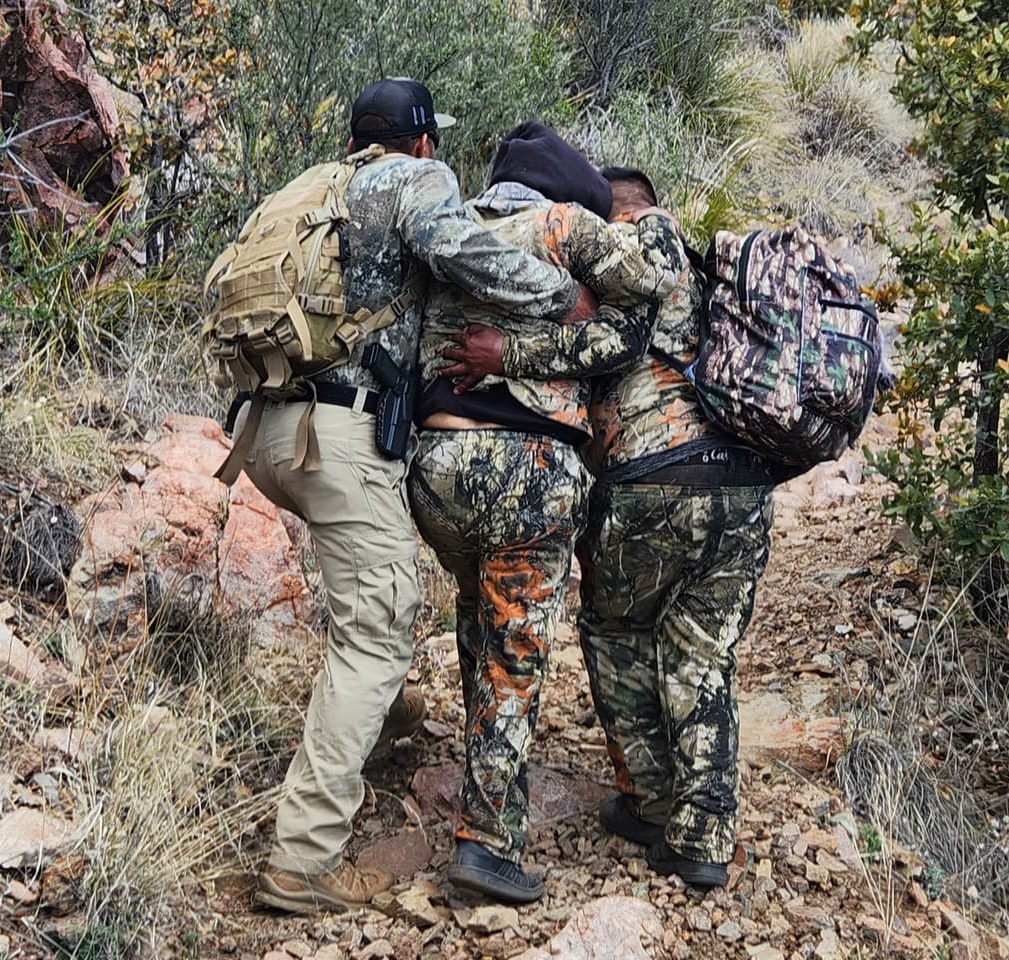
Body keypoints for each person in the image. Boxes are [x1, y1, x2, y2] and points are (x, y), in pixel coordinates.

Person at [246, 81, 587, 915]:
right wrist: (560, 299)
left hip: (266, 431)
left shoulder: (321, 188)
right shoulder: (415, 181)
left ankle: (382, 736)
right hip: (340, 433)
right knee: (378, 628)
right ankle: (301, 861)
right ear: (425, 142)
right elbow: (463, 253)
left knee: (369, 602)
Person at [409, 123, 674, 904]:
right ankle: (488, 843)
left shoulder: (447, 230)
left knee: (478, 630)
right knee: (513, 654)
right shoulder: (564, 225)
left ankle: (478, 783)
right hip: (525, 469)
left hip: (435, 473)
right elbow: (648, 296)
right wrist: (550, 338)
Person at [579, 167, 791, 886]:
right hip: (745, 482)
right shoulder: (716, 278)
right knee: (702, 653)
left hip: (655, 477)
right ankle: (703, 839)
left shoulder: (624, 248)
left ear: (615, 206)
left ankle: (649, 798)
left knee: (616, 630)